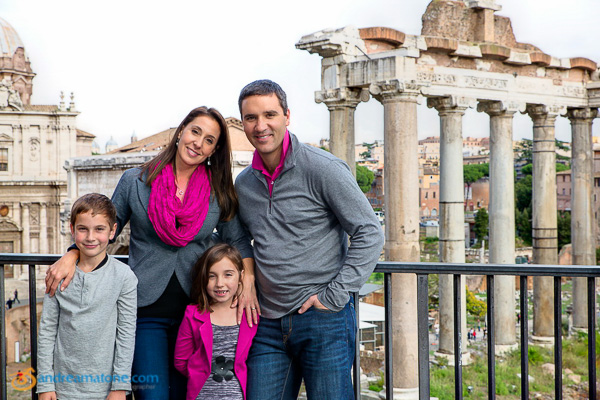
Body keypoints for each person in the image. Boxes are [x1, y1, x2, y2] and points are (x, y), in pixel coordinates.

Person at [45, 107, 257, 399]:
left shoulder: (218, 189)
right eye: (195, 131)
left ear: (214, 149)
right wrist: (71, 254)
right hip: (145, 311)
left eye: (209, 140)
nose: (198, 143)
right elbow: (106, 227)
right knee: (152, 394)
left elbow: (238, 241)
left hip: (197, 310)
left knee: (189, 394)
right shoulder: (135, 181)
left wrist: (248, 282)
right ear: (181, 131)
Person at [235, 80, 385, 399]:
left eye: (270, 114)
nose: (261, 126)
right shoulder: (244, 185)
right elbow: (236, 234)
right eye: (251, 118)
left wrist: (335, 295)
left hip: (323, 319)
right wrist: (247, 278)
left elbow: (369, 231)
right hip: (266, 323)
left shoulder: (323, 168)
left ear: (287, 116)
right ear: (243, 123)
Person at [37, 193, 137, 400]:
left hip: (106, 389)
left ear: (112, 231)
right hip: (62, 388)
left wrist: (119, 387)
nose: (91, 237)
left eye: (99, 229)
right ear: (73, 230)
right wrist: (45, 383)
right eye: (83, 229)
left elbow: (126, 334)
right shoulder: (58, 274)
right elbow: (47, 331)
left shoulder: (124, 276)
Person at [175, 243, 258, 400]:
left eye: (228, 275)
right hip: (201, 395)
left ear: (241, 276)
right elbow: (181, 361)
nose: (220, 283)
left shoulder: (250, 315)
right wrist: (199, 373)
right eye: (212, 276)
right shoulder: (193, 314)